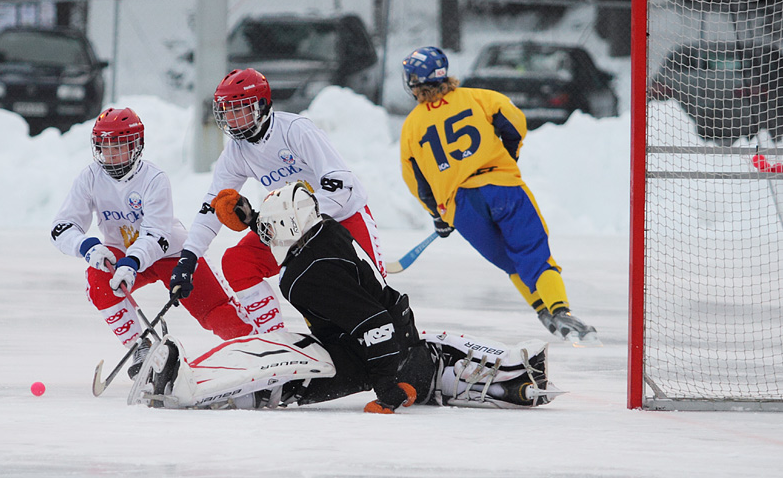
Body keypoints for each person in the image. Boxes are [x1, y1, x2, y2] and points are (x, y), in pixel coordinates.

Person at [129, 181, 560, 412]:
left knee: (290, 373)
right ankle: (507, 372)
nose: (266, 234)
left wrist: (394, 385)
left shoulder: (308, 274)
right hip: (375, 334)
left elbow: (373, 327)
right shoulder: (325, 231)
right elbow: (288, 221)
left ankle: (190, 389)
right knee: (293, 353)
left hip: (364, 351)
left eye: (268, 228)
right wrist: (250, 214)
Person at [398, 46, 600, 345]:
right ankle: (561, 311)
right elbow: (514, 121)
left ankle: (542, 311)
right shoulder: (478, 97)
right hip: (503, 189)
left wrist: (438, 215)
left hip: (463, 206)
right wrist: (506, 157)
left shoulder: (411, 126)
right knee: (533, 254)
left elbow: (415, 181)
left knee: (510, 262)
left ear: (414, 81)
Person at [168, 68, 386, 333]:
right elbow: (212, 206)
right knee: (238, 262)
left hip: (342, 218)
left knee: (375, 297)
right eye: (227, 112)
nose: (232, 120)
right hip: (288, 228)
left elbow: (342, 185)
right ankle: (274, 341)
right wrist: (188, 258)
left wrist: (295, 216)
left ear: (261, 106)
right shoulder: (236, 151)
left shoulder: (296, 130)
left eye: (239, 110)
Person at [50, 107, 255, 379]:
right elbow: (61, 227)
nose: (110, 154)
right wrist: (87, 247)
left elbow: (157, 235)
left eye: (119, 146)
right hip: (122, 256)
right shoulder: (89, 177)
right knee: (98, 281)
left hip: (170, 255)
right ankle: (141, 346)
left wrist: (132, 262)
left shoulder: (154, 179)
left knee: (215, 314)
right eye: (104, 146)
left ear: (137, 146)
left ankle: (258, 348)